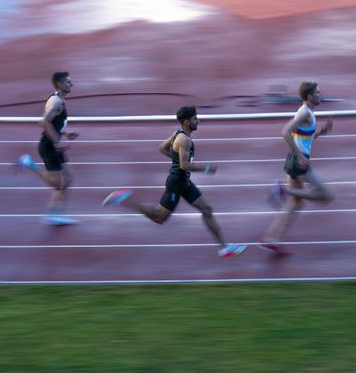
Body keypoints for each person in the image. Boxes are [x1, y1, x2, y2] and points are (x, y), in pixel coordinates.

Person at [103, 105, 246, 258]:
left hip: (184, 182)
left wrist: (177, 159)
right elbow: (184, 165)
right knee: (159, 217)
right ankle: (124, 199)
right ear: (186, 122)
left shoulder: (178, 134)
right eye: (195, 119)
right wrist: (206, 169)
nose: (198, 121)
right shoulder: (184, 140)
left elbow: (162, 148)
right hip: (177, 183)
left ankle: (224, 247)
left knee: (207, 209)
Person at [261, 81, 334, 255]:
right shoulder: (304, 113)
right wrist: (301, 157)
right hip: (298, 162)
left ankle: (271, 240)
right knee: (327, 195)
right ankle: (284, 190)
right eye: (317, 93)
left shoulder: (307, 113)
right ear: (309, 97)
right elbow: (285, 132)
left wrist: (320, 133)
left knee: (295, 204)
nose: (320, 95)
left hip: (295, 160)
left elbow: (303, 138)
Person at [17, 71, 79, 225]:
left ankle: (55, 214)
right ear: (59, 84)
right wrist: (57, 143)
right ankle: (29, 164)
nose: (71, 84)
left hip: (55, 145)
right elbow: (44, 122)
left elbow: (54, 123)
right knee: (57, 184)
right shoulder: (56, 102)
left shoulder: (59, 101)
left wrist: (65, 134)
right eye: (68, 82)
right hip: (49, 146)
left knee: (68, 179)